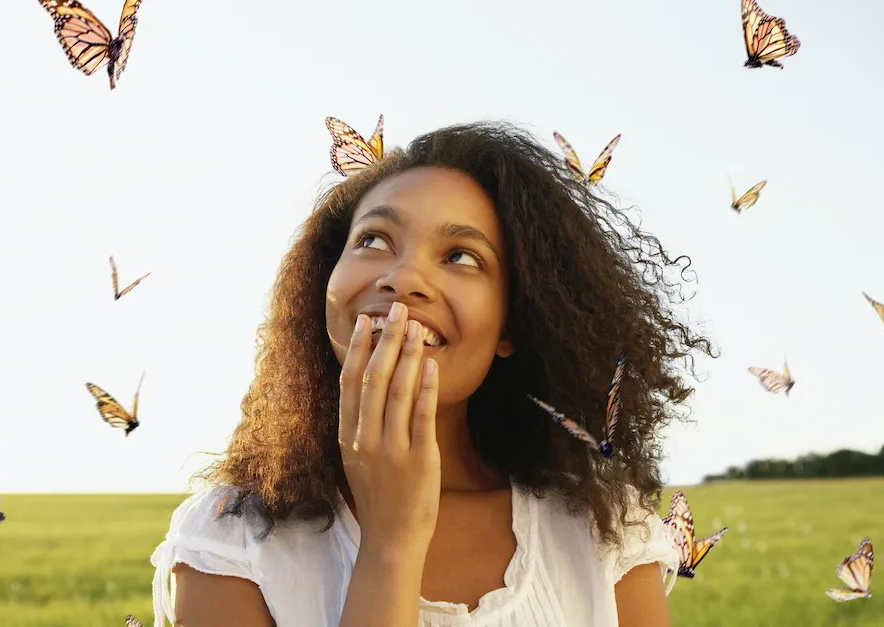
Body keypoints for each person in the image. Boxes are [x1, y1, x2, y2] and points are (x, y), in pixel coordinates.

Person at [149, 121, 716, 627]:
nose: (403, 277)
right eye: (372, 240)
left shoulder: (607, 533)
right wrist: (391, 544)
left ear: (513, 324)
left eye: (462, 256)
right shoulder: (231, 539)